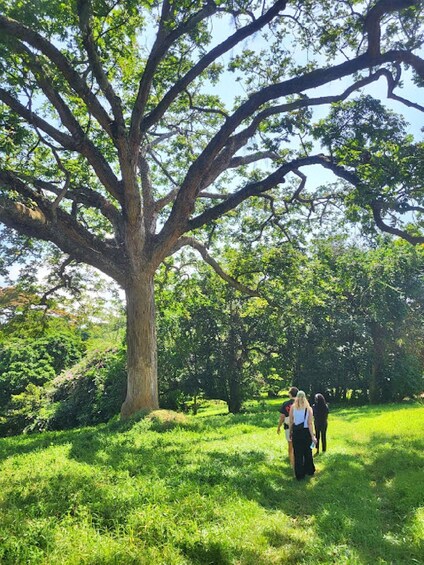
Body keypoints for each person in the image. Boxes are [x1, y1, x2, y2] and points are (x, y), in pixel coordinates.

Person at [288, 390, 316, 480]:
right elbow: (310, 423)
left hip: (296, 432)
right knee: (307, 452)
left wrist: (290, 432)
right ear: (305, 397)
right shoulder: (309, 408)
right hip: (306, 432)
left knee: (298, 454)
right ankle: (309, 470)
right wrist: (313, 436)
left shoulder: (293, 408)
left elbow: (291, 421)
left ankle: (299, 474)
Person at [277, 386, 298, 468]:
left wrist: (279, 427)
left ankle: (292, 463)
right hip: (300, 426)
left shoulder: (285, 404)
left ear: (290, 394)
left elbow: (282, 416)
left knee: (290, 444)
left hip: (288, 426)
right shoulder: (301, 403)